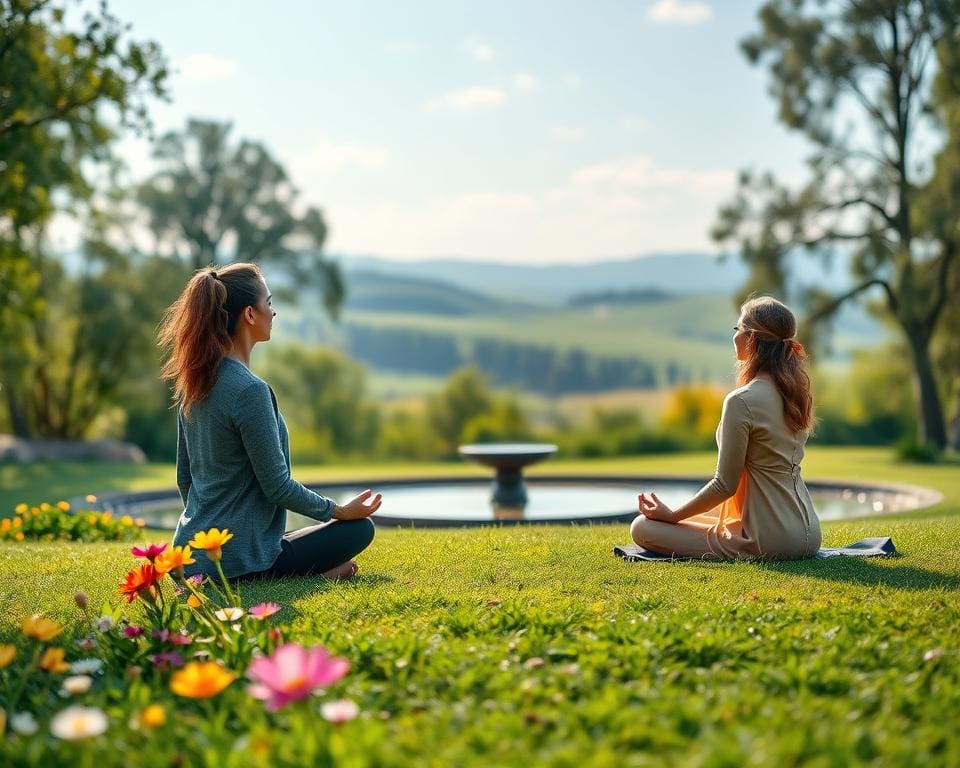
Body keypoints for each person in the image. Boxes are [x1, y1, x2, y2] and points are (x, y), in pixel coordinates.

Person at [158, 263, 381, 580]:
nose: (273, 313)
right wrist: (340, 511)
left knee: (289, 542)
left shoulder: (195, 381)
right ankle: (310, 577)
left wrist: (206, 531)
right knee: (358, 529)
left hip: (187, 556)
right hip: (232, 563)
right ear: (250, 314)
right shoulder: (250, 391)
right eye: (269, 303)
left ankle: (291, 568)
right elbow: (278, 487)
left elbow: (185, 478)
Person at [632, 296, 821, 560]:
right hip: (808, 532)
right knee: (691, 517)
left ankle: (675, 520)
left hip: (768, 539)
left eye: (738, 329)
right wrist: (675, 513)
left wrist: (673, 516)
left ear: (751, 338)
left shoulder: (741, 401)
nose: (735, 336)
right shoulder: (793, 394)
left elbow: (724, 485)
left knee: (642, 528)